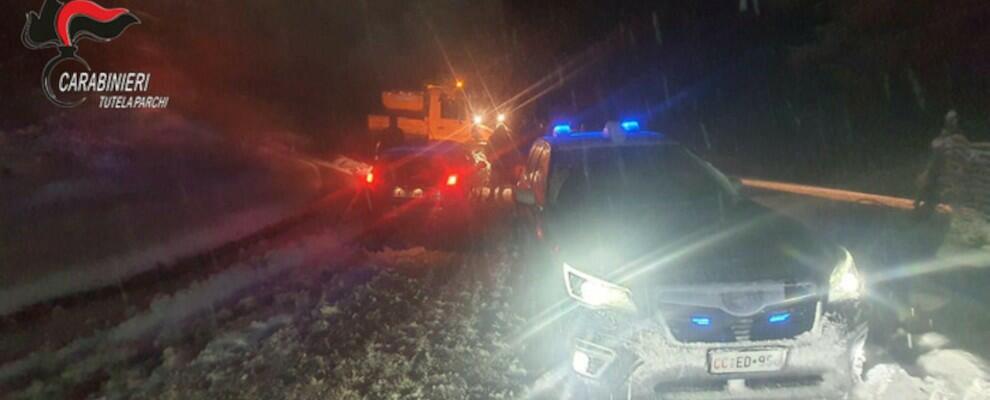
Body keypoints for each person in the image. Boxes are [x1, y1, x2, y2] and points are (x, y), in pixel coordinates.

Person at [915, 110, 969, 218]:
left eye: (954, 119)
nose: (952, 122)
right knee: (927, 181)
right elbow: (934, 160)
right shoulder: (943, 139)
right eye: (950, 119)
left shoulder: (959, 140)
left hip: (950, 175)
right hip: (937, 171)